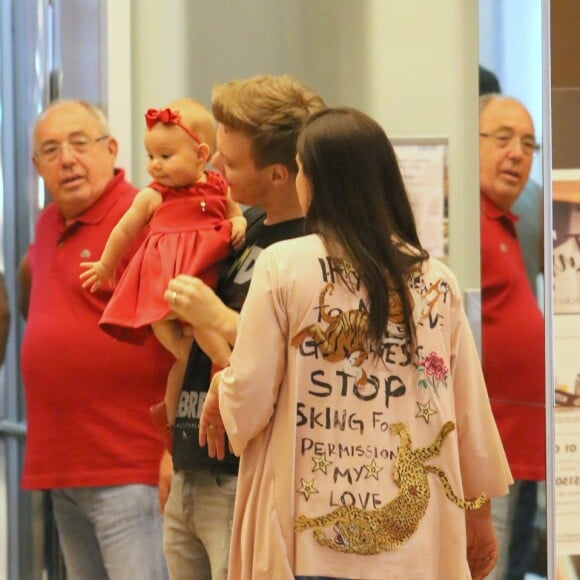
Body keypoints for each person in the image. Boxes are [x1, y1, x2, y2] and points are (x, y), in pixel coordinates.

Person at [199, 106, 513, 580]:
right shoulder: (435, 280)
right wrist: (477, 514)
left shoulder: (283, 266)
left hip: (310, 541)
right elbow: (465, 411)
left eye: (302, 168)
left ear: (319, 181)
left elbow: (249, 403)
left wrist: (222, 390)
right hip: (418, 549)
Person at [159, 75, 326, 580]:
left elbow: (302, 364)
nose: (213, 168)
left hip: (245, 477)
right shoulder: (245, 229)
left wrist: (217, 317)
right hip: (193, 463)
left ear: (278, 174)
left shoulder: (316, 249)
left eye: (229, 163)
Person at [19, 99, 174, 580]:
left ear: (111, 150)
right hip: (63, 468)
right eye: (51, 149)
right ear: (37, 167)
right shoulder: (46, 227)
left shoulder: (143, 218)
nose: (67, 159)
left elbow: (186, 337)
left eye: (79, 143)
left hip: (131, 468)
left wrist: (174, 451)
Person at [80, 99, 246, 433]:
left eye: (165, 157)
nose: (155, 166)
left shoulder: (218, 186)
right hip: (165, 280)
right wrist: (105, 264)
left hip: (201, 277)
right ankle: (176, 421)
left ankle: (220, 375)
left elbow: (234, 212)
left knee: (199, 337)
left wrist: (239, 222)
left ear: (200, 155)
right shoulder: (153, 196)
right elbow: (124, 230)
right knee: (169, 335)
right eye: (150, 156)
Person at [478, 94, 546, 580]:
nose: (517, 154)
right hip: (487, 458)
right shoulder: (467, 227)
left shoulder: (508, 223)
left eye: (528, 144)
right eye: (502, 140)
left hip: (520, 447)